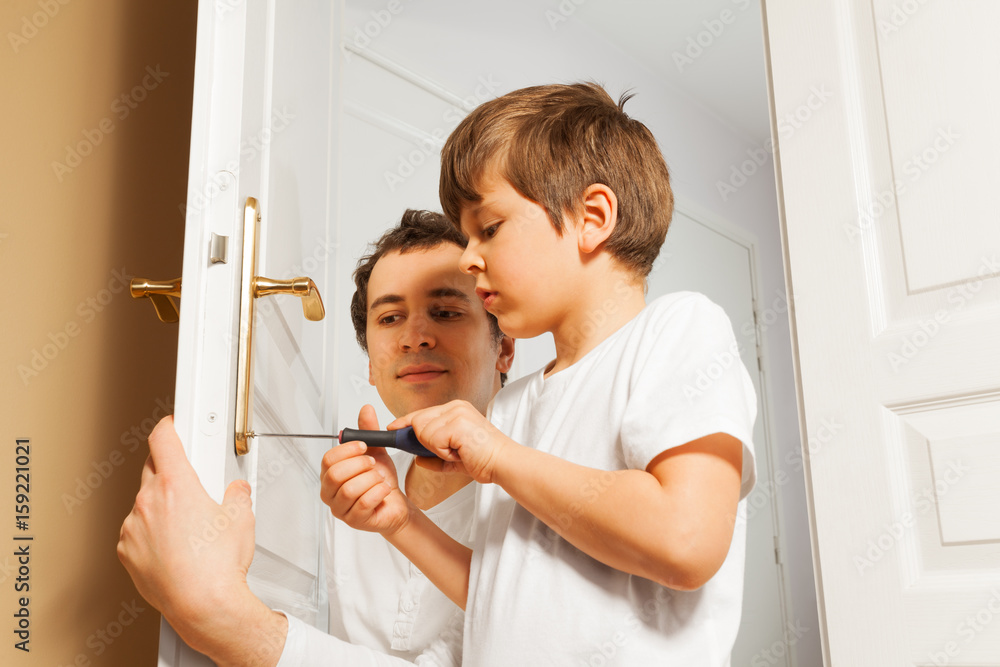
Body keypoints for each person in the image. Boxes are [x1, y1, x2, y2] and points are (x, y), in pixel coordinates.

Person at [323, 82, 758, 665]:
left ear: (592, 217)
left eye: (489, 227)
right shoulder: (514, 407)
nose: (469, 256)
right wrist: (399, 523)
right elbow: (500, 598)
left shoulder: (679, 330)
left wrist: (501, 457)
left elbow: (687, 539)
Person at [117, 210, 514, 665]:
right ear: (370, 363)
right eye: (389, 318)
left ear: (503, 347)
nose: (414, 337)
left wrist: (219, 615)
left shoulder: (538, 489)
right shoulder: (357, 482)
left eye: (445, 312)